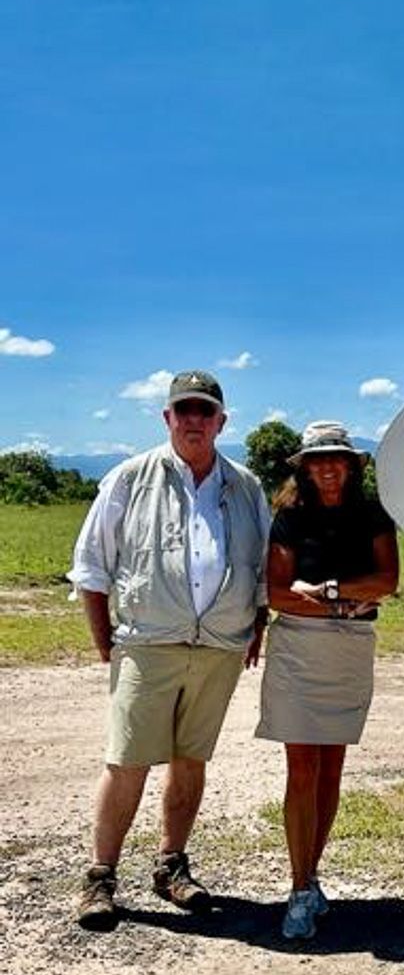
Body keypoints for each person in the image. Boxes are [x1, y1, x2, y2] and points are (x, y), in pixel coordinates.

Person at [70, 370, 270, 929]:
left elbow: (262, 570)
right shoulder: (129, 479)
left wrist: (257, 623)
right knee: (127, 761)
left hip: (218, 649)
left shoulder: (245, 487)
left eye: (204, 412)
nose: (193, 421)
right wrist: (103, 640)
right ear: (166, 418)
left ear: (221, 422)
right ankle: (100, 876)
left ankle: (171, 866)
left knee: (190, 761)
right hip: (148, 643)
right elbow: (92, 568)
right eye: (183, 410)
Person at [256, 421, 399, 942]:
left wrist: (327, 591)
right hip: (298, 649)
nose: (328, 468)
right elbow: (277, 592)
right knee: (302, 766)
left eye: (336, 459)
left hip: (349, 650)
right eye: (318, 461)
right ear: (305, 469)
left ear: (352, 465)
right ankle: (298, 889)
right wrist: (342, 598)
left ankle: (310, 875)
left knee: (332, 767)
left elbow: (387, 581)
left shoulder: (371, 514)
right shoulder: (290, 518)